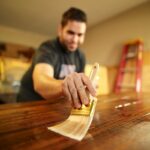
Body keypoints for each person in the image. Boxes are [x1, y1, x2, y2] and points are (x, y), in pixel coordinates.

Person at [17, 7, 96, 109]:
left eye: (80, 35)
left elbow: (79, 85)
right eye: (70, 33)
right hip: (29, 106)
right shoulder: (47, 48)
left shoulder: (81, 56)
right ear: (60, 30)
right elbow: (40, 83)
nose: (75, 40)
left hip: (55, 107)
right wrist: (65, 85)